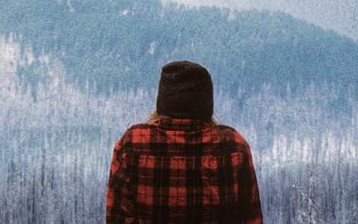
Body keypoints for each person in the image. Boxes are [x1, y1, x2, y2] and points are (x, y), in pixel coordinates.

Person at [105, 61, 263, 223]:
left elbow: (117, 219)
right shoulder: (233, 147)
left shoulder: (132, 145)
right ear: (207, 104)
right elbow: (251, 219)